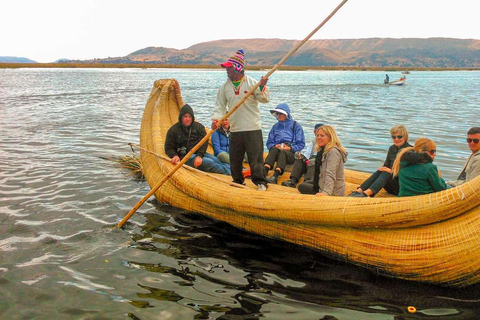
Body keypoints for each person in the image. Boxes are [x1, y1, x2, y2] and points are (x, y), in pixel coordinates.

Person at [211, 48, 270, 191]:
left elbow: (265, 99)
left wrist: (262, 86)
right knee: (235, 159)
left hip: (252, 128)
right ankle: (238, 180)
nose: (226, 71)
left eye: (229, 69)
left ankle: (260, 182)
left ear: (237, 69)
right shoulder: (225, 87)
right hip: (235, 129)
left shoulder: (252, 84)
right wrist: (216, 120)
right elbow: (220, 105)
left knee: (255, 159)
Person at [165, 104, 231, 175]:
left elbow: (203, 143)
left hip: (199, 153)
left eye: (190, 117)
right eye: (185, 117)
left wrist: (199, 156)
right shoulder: (173, 130)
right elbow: (168, 147)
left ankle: (238, 169)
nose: (188, 119)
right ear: (181, 117)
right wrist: (174, 155)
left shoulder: (199, 127)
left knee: (216, 160)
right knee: (209, 162)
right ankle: (232, 173)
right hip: (184, 157)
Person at [348, 125, 412, 197]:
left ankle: (366, 194)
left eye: (399, 137)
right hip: (391, 183)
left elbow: (410, 174)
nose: (396, 139)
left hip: (403, 186)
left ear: (405, 137)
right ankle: (359, 190)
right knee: (381, 170)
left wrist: (391, 171)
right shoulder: (392, 148)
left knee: (387, 172)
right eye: (394, 137)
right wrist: (384, 169)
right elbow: (386, 166)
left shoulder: (410, 151)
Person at [297, 125, 348, 196]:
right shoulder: (323, 151)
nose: (318, 138)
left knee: (303, 187)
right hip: (322, 185)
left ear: (330, 137)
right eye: (317, 135)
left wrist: (326, 193)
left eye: (322, 136)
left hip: (333, 192)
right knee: (303, 185)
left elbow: (331, 174)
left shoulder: (333, 152)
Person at [264, 103, 305, 184]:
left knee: (282, 152)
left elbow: (301, 144)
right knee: (274, 149)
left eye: (281, 114)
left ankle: (275, 175)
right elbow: (269, 142)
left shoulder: (296, 126)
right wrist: (275, 145)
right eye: (277, 114)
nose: (278, 115)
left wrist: (290, 148)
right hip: (277, 150)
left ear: (286, 114)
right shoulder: (275, 126)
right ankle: (264, 171)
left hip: (291, 153)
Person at [281, 122, 323, 188]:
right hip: (311, 161)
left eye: (321, 134)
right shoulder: (313, 142)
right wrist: (302, 156)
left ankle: (307, 182)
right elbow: (307, 154)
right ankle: (293, 181)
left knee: (313, 161)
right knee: (299, 160)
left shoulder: (328, 144)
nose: (318, 135)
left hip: (319, 164)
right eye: (316, 132)